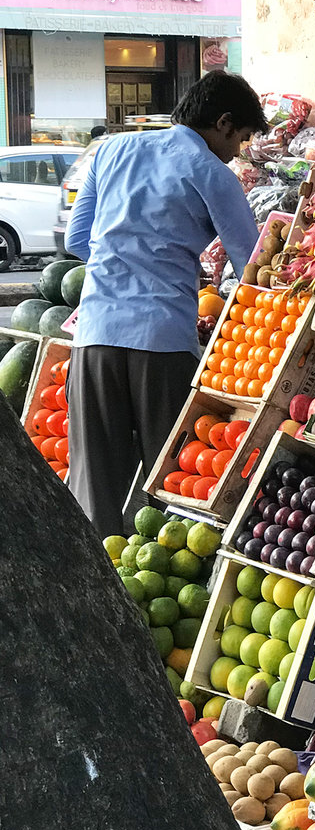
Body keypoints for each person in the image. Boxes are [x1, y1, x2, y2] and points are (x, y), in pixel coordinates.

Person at [65, 71, 265, 539]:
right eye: (241, 138)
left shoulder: (109, 150)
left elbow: (78, 239)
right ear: (223, 122)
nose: (238, 151)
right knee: (171, 484)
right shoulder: (213, 174)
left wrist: (123, 268)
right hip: (162, 342)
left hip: (94, 334)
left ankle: (97, 595)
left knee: (94, 488)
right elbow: (254, 266)